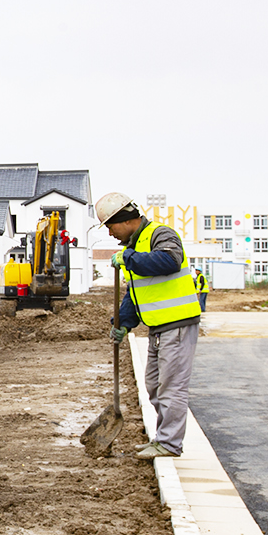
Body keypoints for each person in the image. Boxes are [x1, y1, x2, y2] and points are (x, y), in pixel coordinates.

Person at [98, 192, 201, 459]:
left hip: (177, 324)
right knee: (154, 385)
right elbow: (136, 292)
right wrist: (123, 323)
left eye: (110, 226)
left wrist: (128, 259)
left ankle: (169, 444)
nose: (110, 233)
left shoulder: (160, 234)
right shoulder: (134, 247)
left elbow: (169, 261)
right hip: (158, 326)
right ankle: (163, 438)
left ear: (124, 219)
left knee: (171, 386)